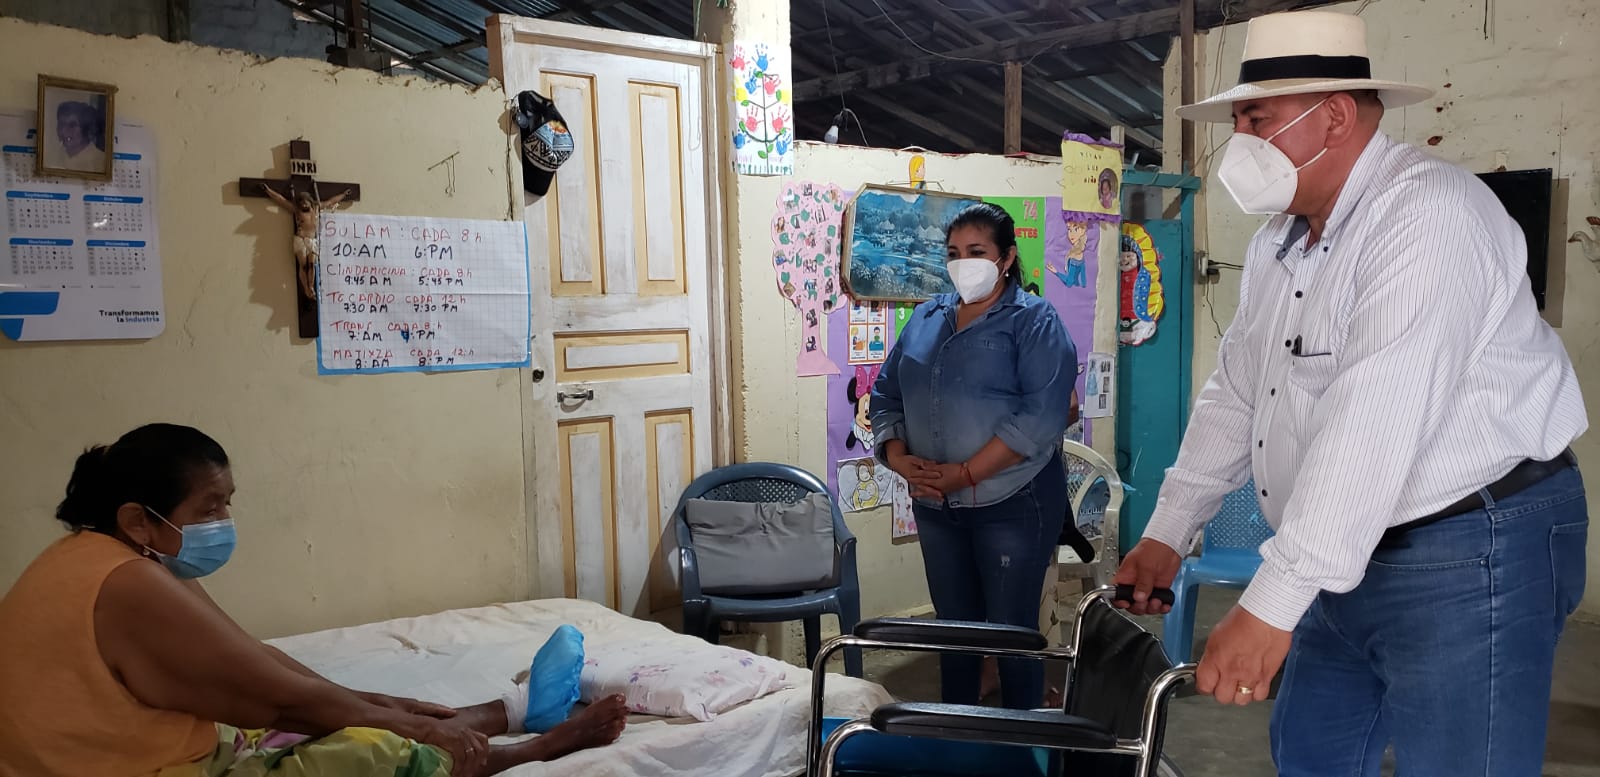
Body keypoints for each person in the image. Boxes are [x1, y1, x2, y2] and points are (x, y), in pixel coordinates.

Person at [1113, 10, 1588, 776]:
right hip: (1344, 548)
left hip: (1472, 540)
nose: (1241, 143)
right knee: (1311, 749)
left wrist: (1270, 603)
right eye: (1237, 123)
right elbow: (1238, 393)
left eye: (1257, 120)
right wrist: (1170, 529)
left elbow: (1373, 422)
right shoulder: (1278, 244)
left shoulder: (1428, 217)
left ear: (1334, 116)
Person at [0, 423, 628, 777]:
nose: (224, 522)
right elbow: (275, 698)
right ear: (139, 518)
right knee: (372, 751)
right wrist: (397, 725)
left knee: (329, 716)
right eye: (209, 508)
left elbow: (247, 655)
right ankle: (531, 748)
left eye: (227, 503)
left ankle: (492, 712)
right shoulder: (129, 583)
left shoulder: (108, 555)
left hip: (121, 752)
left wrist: (377, 701)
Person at [870, 203, 1077, 709]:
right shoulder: (926, 318)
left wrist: (965, 473)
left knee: (1011, 634)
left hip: (1013, 502)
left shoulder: (1034, 322)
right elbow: (886, 392)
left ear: (1006, 258)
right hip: (935, 505)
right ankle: (956, 730)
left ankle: (1022, 736)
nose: (964, 263)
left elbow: (1042, 415)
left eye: (977, 252)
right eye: (954, 253)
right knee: (954, 631)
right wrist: (898, 456)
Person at [44, 99, 106, 173]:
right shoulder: (50, 156)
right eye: (61, 124)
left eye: (72, 125)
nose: (63, 131)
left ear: (86, 129)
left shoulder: (101, 162)